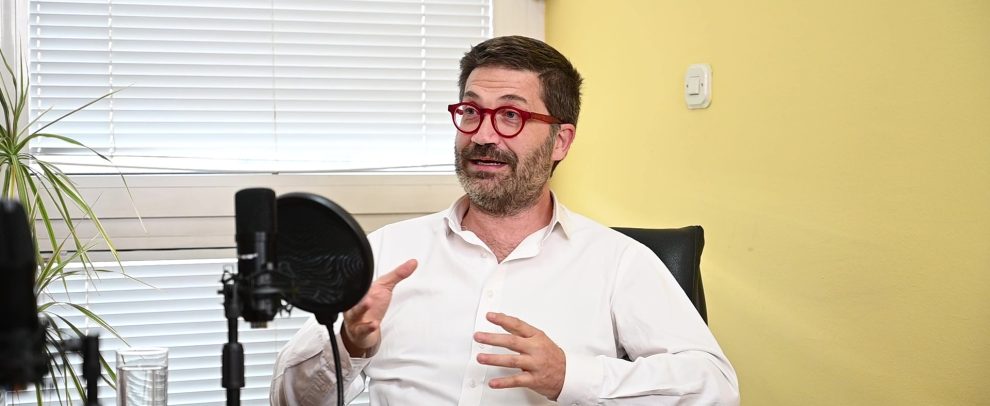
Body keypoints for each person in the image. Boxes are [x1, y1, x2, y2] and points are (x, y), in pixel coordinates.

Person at [270, 35, 740, 405]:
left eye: (511, 115)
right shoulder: (388, 252)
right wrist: (349, 344)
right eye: (471, 111)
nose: (483, 135)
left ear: (560, 141)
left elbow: (715, 387)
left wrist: (570, 376)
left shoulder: (618, 262)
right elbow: (287, 400)